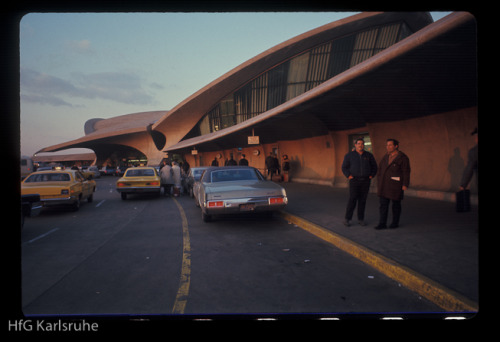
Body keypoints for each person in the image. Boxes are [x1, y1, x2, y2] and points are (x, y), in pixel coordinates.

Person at [375, 139, 411, 230]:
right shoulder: (385, 157)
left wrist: (405, 184)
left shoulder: (403, 158)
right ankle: (382, 223)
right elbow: (380, 170)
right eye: (387, 145)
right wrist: (379, 181)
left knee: (396, 205)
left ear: (396, 146)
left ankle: (395, 223)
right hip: (384, 185)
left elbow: (406, 172)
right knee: (383, 205)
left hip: (396, 185)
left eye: (390, 145)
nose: (388, 147)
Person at [341, 138, 377, 226]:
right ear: (355, 145)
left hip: (365, 181)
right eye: (359, 143)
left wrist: (371, 175)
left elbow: (374, 167)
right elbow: (344, 167)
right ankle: (347, 219)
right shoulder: (349, 155)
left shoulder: (369, 155)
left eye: (362, 144)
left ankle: (361, 219)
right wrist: (349, 175)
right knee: (352, 199)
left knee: (362, 200)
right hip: (354, 181)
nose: (360, 145)